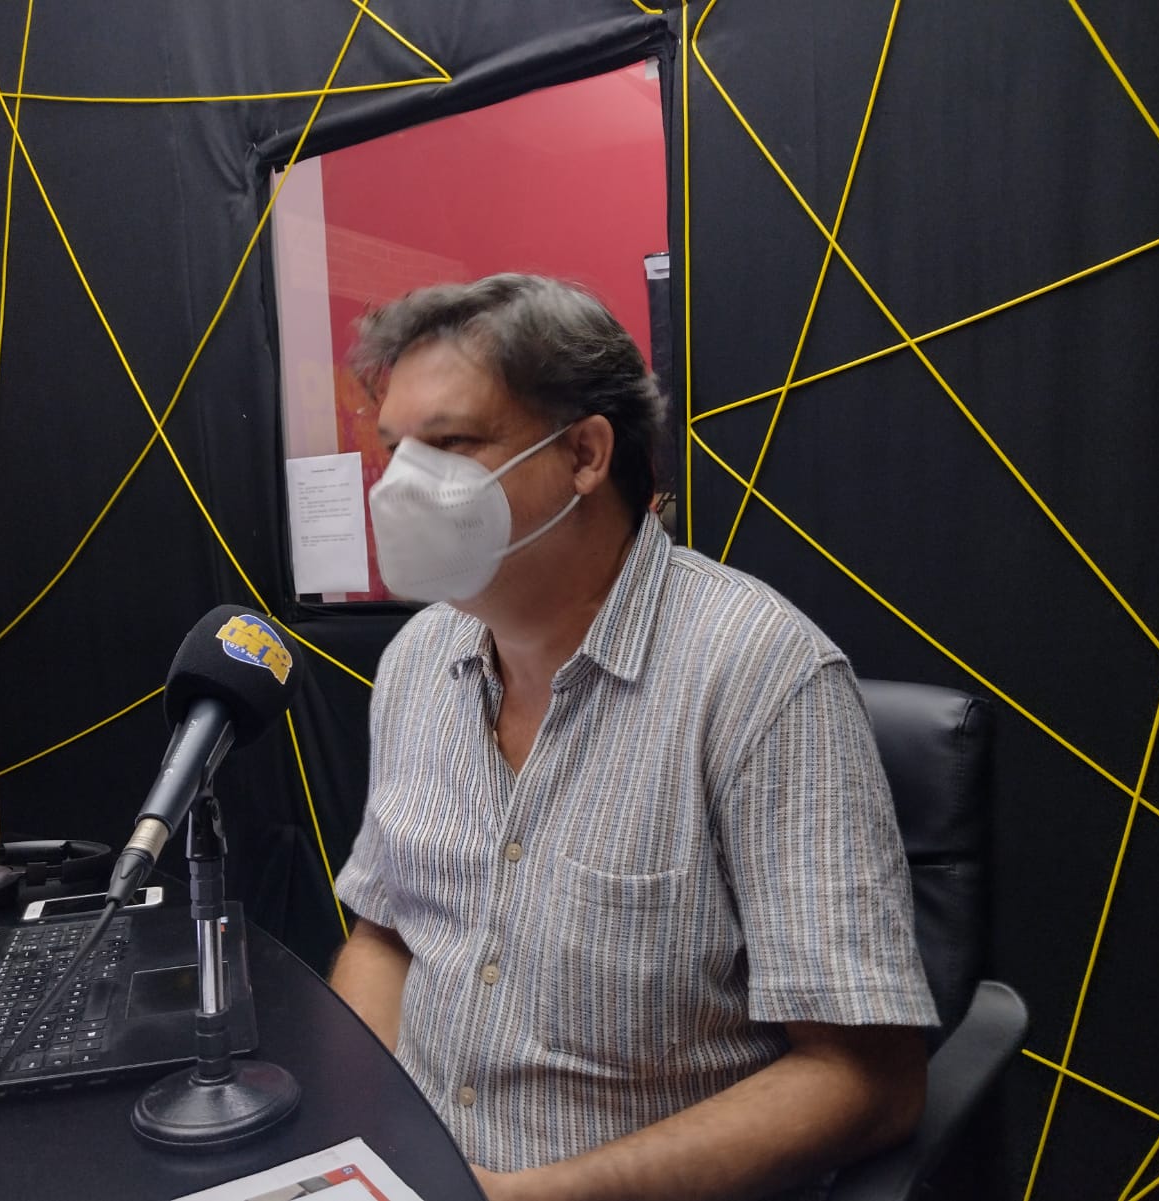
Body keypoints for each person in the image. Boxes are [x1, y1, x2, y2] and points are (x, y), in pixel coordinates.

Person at [330, 274, 936, 1201]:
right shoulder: (417, 661)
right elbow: (384, 935)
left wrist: (526, 1196)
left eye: (449, 444)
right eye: (394, 449)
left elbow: (867, 1079)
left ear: (584, 453)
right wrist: (365, 1143)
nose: (403, 484)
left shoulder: (760, 675)